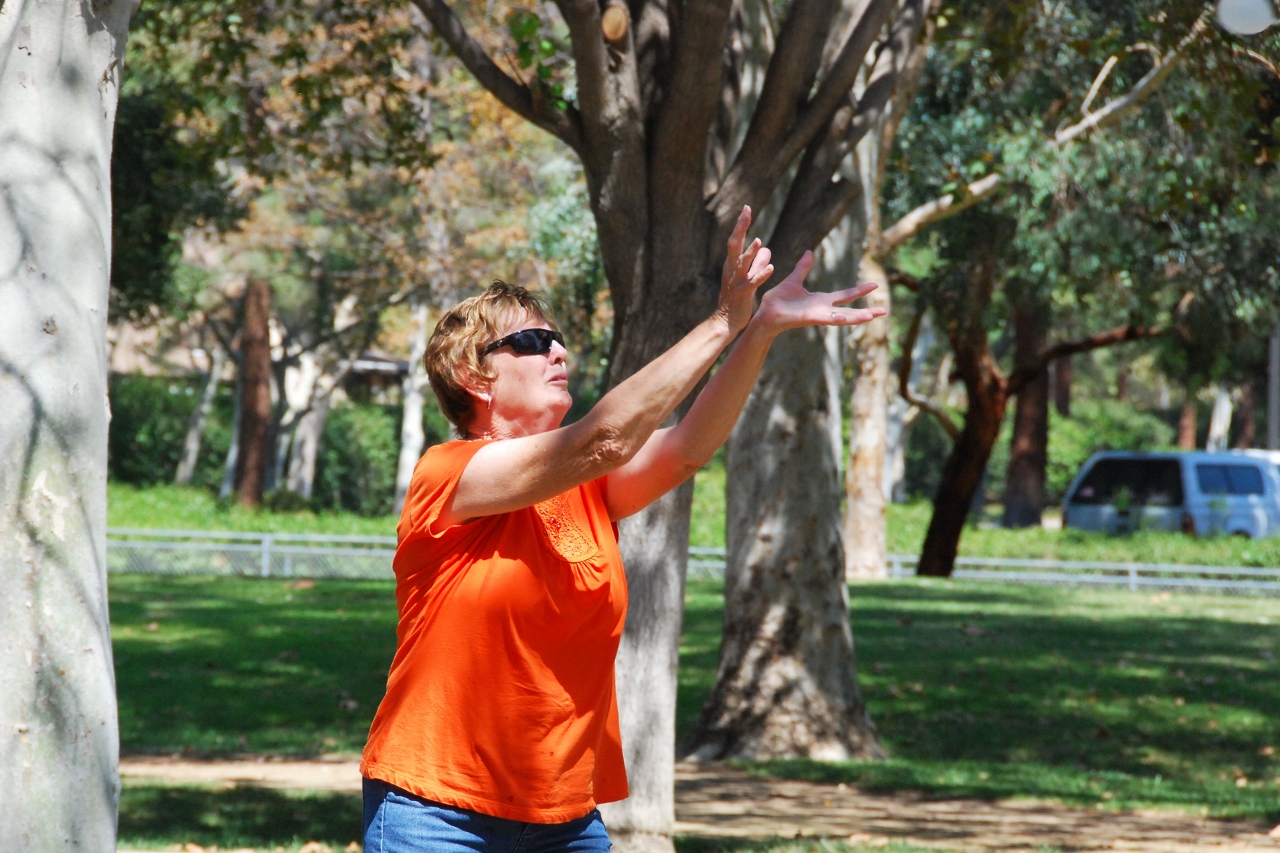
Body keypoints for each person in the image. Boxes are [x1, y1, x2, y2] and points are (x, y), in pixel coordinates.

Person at [359, 207, 886, 852]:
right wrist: (724, 319)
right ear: (475, 377)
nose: (556, 351)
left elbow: (690, 448)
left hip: (564, 816)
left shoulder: (586, 487)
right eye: (529, 342)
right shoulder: (448, 475)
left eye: (557, 341)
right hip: (437, 812)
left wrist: (762, 328)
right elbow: (604, 438)